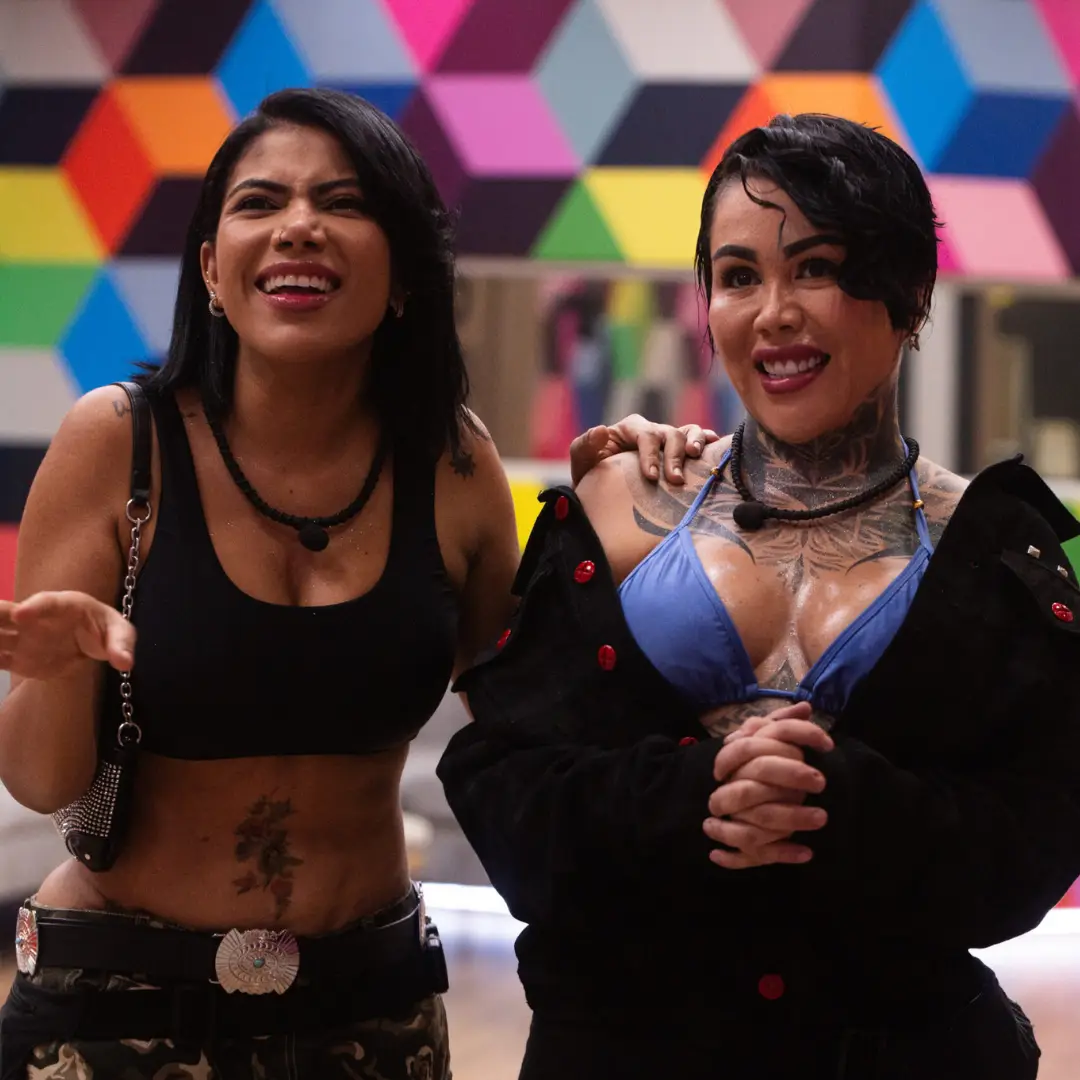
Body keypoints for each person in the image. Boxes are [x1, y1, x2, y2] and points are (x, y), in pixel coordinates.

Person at [0, 87, 713, 1080]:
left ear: (404, 274)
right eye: (259, 203)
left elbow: (542, 717)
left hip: (371, 1009)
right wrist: (56, 667)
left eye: (343, 202)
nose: (298, 226)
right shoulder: (119, 442)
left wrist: (615, 514)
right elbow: (42, 783)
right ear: (211, 269)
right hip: (119, 1006)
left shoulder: (452, 462)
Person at [438, 113, 1080, 1079]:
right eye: (739, 277)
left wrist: (842, 804)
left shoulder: (991, 548)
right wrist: (692, 796)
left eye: (815, 267)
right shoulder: (617, 504)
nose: (773, 312)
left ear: (910, 292)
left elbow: (1033, 841)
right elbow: (503, 788)